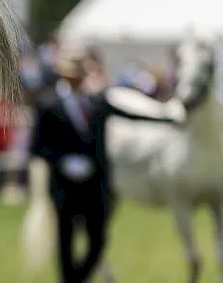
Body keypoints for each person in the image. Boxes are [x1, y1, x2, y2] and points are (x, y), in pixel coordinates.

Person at [29, 46, 183, 283]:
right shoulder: (48, 104)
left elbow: (130, 115)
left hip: (95, 187)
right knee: (66, 244)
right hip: (64, 189)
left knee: (98, 240)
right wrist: (63, 162)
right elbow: (38, 147)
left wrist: (166, 118)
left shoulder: (97, 102)